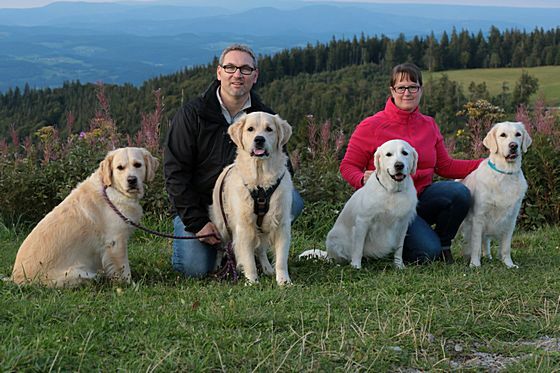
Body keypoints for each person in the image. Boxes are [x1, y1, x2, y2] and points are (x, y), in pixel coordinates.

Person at [164, 44, 304, 278]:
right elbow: (175, 173)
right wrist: (197, 221)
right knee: (194, 268)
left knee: (292, 201)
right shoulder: (192, 115)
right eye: (230, 67)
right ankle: (235, 248)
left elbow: (282, 167)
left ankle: (254, 249)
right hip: (201, 207)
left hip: (252, 201)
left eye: (245, 69)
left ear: (255, 76)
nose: (237, 74)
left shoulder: (266, 118)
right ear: (219, 72)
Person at [340, 63, 482, 264]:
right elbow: (347, 166)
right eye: (401, 87)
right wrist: (362, 178)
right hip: (387, 204)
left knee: (459, 193)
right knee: (425, 254)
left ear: (420, 90)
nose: (407, 92)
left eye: (412, 87)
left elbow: (446, 166)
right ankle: (411, 246)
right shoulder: (371, 126)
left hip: (421, 197)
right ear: (392, 90)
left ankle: (443, 246)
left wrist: (487, 163)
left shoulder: (429, 124)